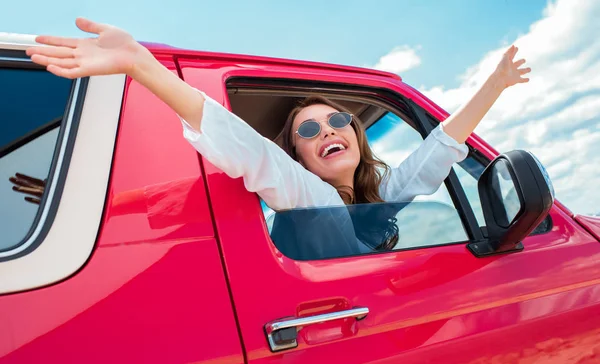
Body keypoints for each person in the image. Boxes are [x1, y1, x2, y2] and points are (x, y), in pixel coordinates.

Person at [25, 18, 530, 230]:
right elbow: (248, 149)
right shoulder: (308, 196)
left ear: (356, 133)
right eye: (308, 132)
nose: (327, 131)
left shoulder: (383, 197)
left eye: (336, 120)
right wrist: (143, 66)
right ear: (300, 157)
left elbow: (439, 147)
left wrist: (497, 83)